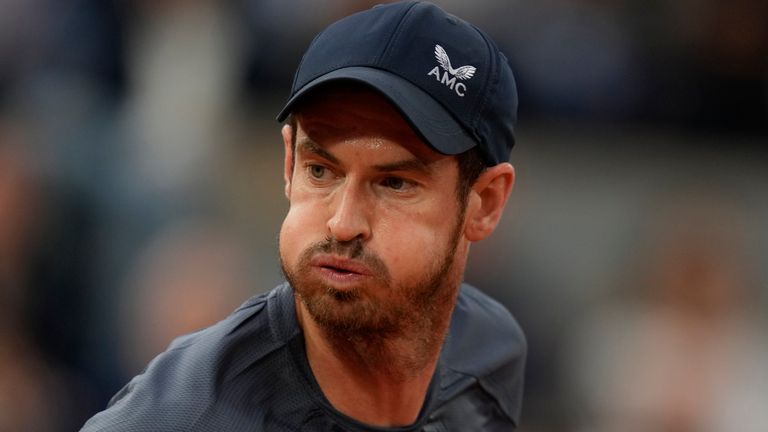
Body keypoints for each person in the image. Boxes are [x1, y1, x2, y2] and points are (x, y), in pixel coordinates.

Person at [81, 1, 526, 430]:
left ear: (484, 203)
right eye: (321, 171)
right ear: (290, 165)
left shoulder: (489, 354)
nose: (343, 222)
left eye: (394, 183)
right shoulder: (180, 419)